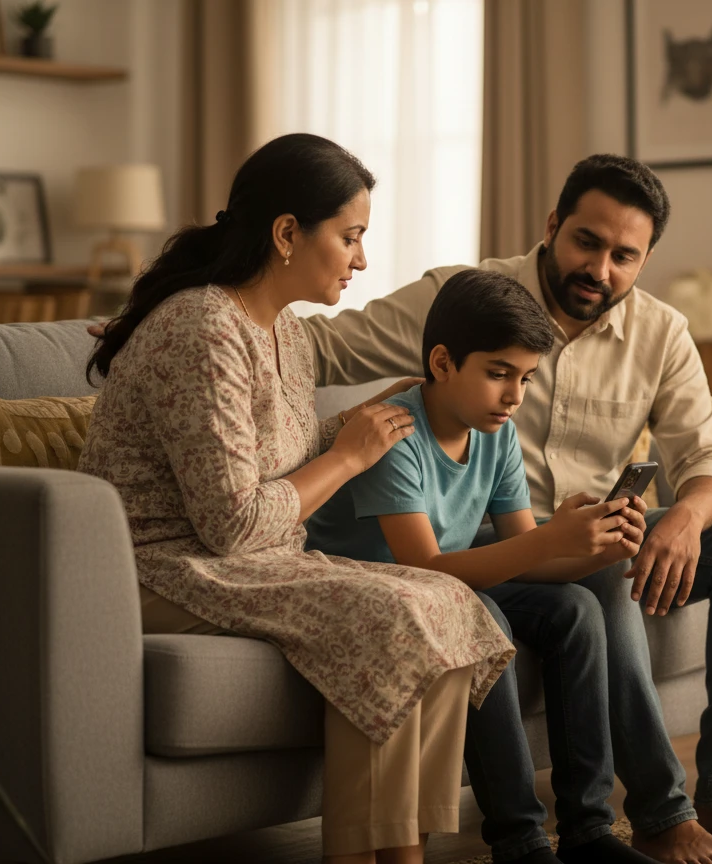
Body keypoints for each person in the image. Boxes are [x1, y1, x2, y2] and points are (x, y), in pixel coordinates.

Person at [296, 154, 712, 864]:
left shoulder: (660, 333)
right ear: (552, 227)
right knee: (601, 577)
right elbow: (316, 347)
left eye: (624, 256)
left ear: (645, 260)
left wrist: (686, 520)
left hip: (572, 525)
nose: (600, 268)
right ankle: (659, 813)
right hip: (474, 531)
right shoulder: (464, 297)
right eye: (586, 242)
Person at [77, 133, 515, 864]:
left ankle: (406, 850)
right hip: (162, 568)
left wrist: (362, 423)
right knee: (391, 613)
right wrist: (347, 457)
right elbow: (232, 523)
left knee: (440, 597)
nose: (361, 259)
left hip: (253, 563)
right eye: (351, 236)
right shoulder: (201, 326)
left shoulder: (287, 332)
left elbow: (278, 456)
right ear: (287, 234)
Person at [307, 268, 663, 864]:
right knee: (485, 617)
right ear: (442, 362)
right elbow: (425, 566)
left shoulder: (496, 434)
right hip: (387, 590)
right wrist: (551, 541)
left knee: (577, 608)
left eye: (525, 378)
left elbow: (524, 549)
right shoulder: (395, 436)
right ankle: (520, 841)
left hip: (446, 582)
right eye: (499, 374)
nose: (515, 395)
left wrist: (595, 546)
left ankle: (588, 829)